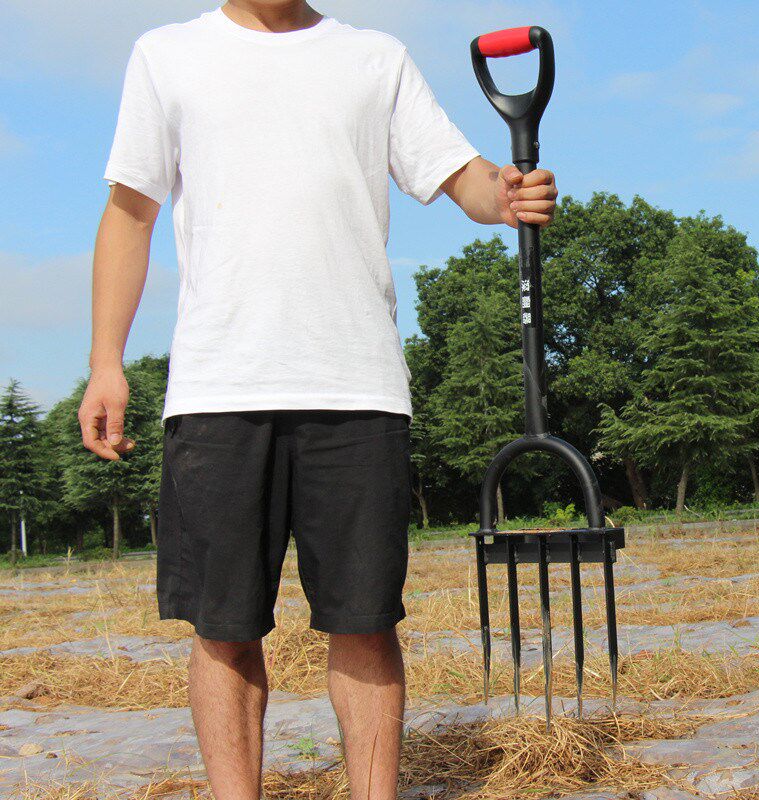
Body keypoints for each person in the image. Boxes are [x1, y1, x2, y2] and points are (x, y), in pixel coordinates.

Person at [79, 2, 557, 798]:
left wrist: (505, 195)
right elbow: (130, 215)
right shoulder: (167, 56)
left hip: (357, 384)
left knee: (365, 621)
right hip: (220, 386)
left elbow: (459, 174)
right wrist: (106, 363)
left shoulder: (374, 58)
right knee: (223, 629)